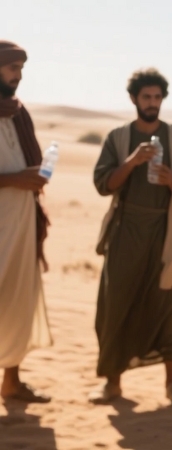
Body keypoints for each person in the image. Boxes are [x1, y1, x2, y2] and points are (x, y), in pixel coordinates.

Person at [90, 68, 172, 406]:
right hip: (125, 234)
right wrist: (131, 161)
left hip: (164, 234)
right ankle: (112, 383)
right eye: (146, 97)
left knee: (167, 306)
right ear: (134, 99)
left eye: (157, 97)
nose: (152, 103)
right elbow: (103, 185)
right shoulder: (118, 138)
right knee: (115, 306)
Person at [0, 40, 53, 404]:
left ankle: (12, 382)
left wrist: (32, 177)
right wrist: (14, 179)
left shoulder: (18, 113)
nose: (18, 76)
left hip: (20, 223)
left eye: (21, 69)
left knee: (18, 300)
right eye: (12, 68)